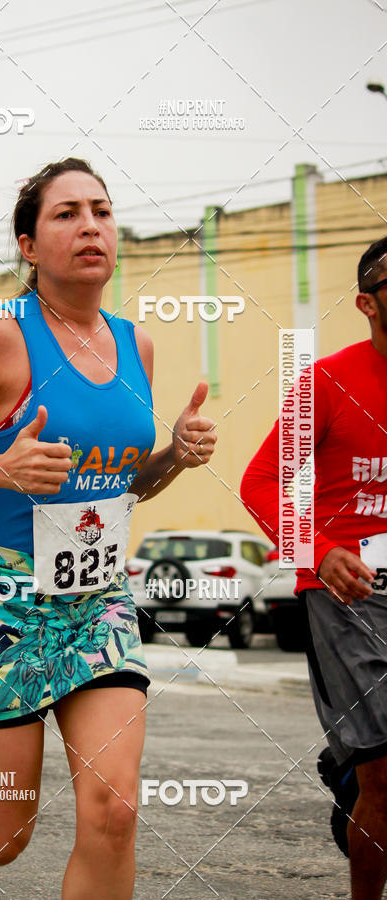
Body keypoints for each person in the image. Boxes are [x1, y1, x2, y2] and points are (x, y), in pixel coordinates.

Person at [0, 157, 217, 900]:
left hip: (93, 600)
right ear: (29, 245)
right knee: (2, 834)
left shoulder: (137, 345)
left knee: (114, 811)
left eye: (101, 210)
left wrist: (176, 455)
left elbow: (124, 487)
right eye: (66, 213)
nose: (90, 226)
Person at [241, 236, 387, 899]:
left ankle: (349, 770)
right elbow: (260, 482)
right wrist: (319, 550)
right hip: (347, 593)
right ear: (368, 302)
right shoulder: (328, 381)